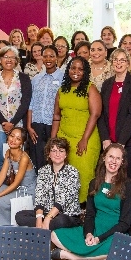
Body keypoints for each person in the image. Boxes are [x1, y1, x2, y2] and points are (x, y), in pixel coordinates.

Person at [51, 144, 131, 260]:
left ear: (122, 162)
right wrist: (89, 234)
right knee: (54, 235)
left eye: (118, 158)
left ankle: (74, 257)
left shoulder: (128, 186)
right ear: (104, 158)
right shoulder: (94, 183)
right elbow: (90, 214)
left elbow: (125, 223)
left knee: (120, 249)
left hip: (115, 233)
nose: (113, 161)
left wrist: (100, 239)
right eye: (111, 157)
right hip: (95, 229)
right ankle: (94, 257)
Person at [52, 56, 101, 203]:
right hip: (64, 138)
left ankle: (84, 207)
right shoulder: (62, 90)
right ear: (68, 70)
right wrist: (53, 140)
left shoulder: (90, 88)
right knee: (64, 173)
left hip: (85, 138)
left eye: (80, 69)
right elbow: (56, 116)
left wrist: (84, 139)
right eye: (73, 68)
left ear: (85, 72)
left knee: (84, 174)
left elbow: (95, 114)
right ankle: (65, 206)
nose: (76, 71)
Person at [98, 48, 131, 181]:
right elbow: (101, 113)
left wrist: (120, 143)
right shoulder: (107, 84)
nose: (118, 63)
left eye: (122, 60)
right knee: (107, 179)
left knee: (126, 181)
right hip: (108, 142)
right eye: (115, 60)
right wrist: (105, 138)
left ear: (128, 63)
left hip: (128, 143)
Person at [15, 138, 82, 230]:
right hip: (47, 213)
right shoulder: (43, 171)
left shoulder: (73, 172)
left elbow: (62, 201)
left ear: (66, 154)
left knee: (61, 221)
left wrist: (47, 219)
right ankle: (44, 227)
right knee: (20, 216)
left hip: (67, 215)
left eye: (61, 151)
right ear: (49, 154)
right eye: (54, 151)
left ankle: (45, 227)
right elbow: (39, 196)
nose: (57, 154)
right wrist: (39, 219)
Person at [0, 127, 37, 225]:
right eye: (12, 136)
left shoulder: (24, 158)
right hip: (18, 187)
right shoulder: (8, 152)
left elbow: (16, 183)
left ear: (22, 143)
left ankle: (5, 226)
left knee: (1, 201)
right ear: (8, 137)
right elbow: (2, 175)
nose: (13, 140)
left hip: (27, 191)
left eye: (18, 139)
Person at [0, 46, 33, 158]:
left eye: (12, 57)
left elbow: (25, 102)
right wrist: (4, 123)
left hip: (19, 125)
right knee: (3, 158)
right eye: (6, 57)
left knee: (18, 159)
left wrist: (12, 123)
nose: (9, 60)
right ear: (0, 60)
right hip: (1, 126)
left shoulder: (24, 78)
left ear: (16, 60)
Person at [27, 46, 64, 169]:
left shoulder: (63, 78)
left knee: (52, 157)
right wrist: (29, 126)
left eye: (51, 56)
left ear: (56, 58)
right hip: (36, 124)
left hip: (53, 124)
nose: (48, 59)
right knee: (36, 158)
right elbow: (31, 103)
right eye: (45, 56)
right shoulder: (36, 79)